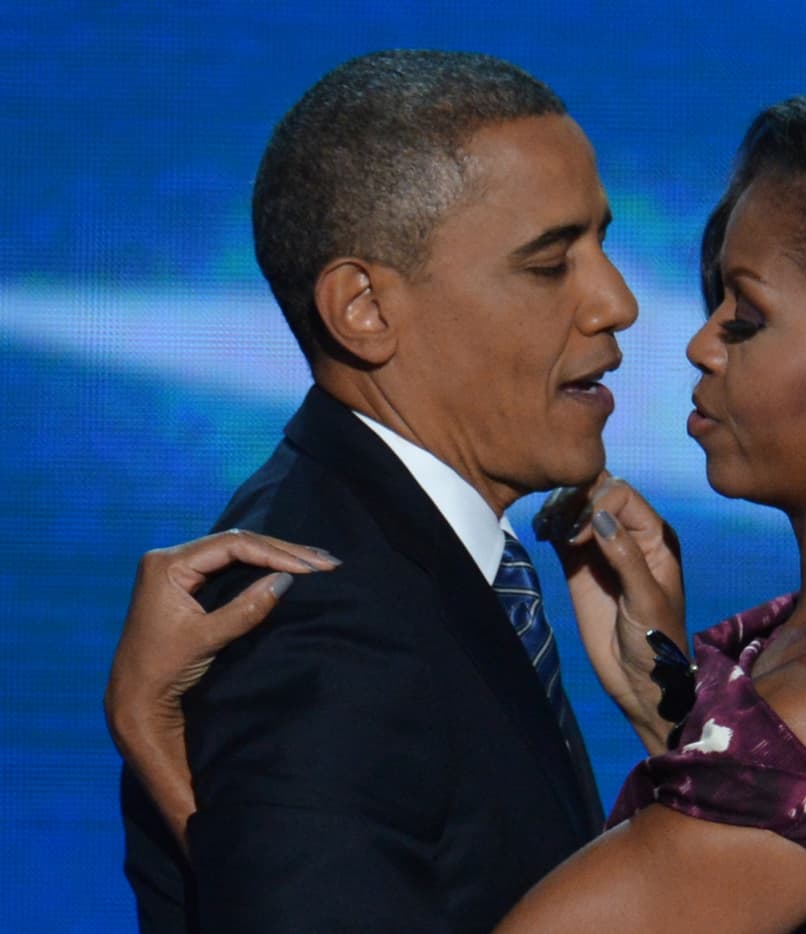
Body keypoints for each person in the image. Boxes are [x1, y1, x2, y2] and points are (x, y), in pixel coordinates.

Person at [109, 79, 806, 932]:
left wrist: (159, 746)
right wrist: (678, 709)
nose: (644, 316)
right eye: (552, 261)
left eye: (746, 313)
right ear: (364, 308)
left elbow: (798, 815)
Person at [109, 49, 641, 933]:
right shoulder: (321, 622)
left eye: (602, 244)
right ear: (363, 308)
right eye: (551, 263)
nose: (616, 302)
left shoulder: (398, 549)